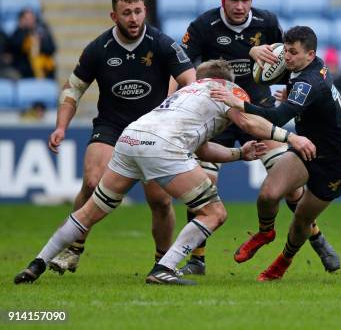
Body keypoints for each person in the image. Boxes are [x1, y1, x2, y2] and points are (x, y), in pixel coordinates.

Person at [14, 60, 316, 286]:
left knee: (92, 210)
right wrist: (290, 137)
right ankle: (165, 268)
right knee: (214, 212)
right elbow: (250, 124)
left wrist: (239, 154)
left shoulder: (186, 92)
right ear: (225, 80)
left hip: (131, 137)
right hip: (163, 146)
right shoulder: (225, 89)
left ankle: (38, 260)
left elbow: (201, 149)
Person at [178, 0, 340, 275]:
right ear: (222, 0)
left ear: (252, 1)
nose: (240, 6)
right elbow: (184, 67)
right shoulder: (203, 26)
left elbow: (286, 62)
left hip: (260, 111)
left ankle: (317, 239)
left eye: (245, 0)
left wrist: (290, 90)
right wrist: (246, 53)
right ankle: (197, 259)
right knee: (204, 183)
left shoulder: (266, 22)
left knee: (289, 187)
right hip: (218, 113)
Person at [46, 0, 196, 275]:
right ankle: (73, 249)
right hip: (112, 126)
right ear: (113, 15)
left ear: (145, 11)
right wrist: (61, 127)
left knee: (160, 199)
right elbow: (73, 89)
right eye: (126, 13)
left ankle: (163, 262)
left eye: (138, 11)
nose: (133, 18)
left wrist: (176, 119)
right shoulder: (98, 49)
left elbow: (190, 81)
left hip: (153, 129)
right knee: (91, 183)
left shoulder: (163, 44)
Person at [210, 26, 341, 281]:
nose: (286, 57)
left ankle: (283, 262)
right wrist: (253, 50)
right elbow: (263, 76)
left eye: (293, 53)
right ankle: (266, 233)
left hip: (335, 160)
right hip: (306, 148)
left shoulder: (310, 82)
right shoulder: (302, 67)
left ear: (310, 55)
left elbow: (278, 116)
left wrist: (238, 103)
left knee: (302, 218)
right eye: (285, 50)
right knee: (268, 195)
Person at [8, 8, 56, 79]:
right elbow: (14, 47)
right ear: (21, 20)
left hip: (43, 70)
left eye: (32, 18)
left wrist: (40, 43)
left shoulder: (42, 30)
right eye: (27, 19)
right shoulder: (18, 32)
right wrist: (24, 31)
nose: (30, 21)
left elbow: (52, 48)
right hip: (24, 71)